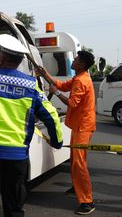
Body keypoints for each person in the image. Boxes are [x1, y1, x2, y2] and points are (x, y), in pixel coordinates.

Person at [0, 34, 63, 217]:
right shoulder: (31, 85)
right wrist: (57, 141)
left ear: (2, 58)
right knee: (14, 206)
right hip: (17, 156)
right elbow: (51, 115)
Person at [38, 50, 96, 215]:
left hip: (83, 127)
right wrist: (45, 74)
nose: (74, 59)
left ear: (82, 64)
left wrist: (55, 92)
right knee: (75, 161)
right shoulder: (79, 78)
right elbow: (62, 85)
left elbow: (72, 103)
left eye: (77, 58)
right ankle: (77, 186)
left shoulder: (82, 81)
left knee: (79, 164)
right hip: (81, 125)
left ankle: (87, 202)